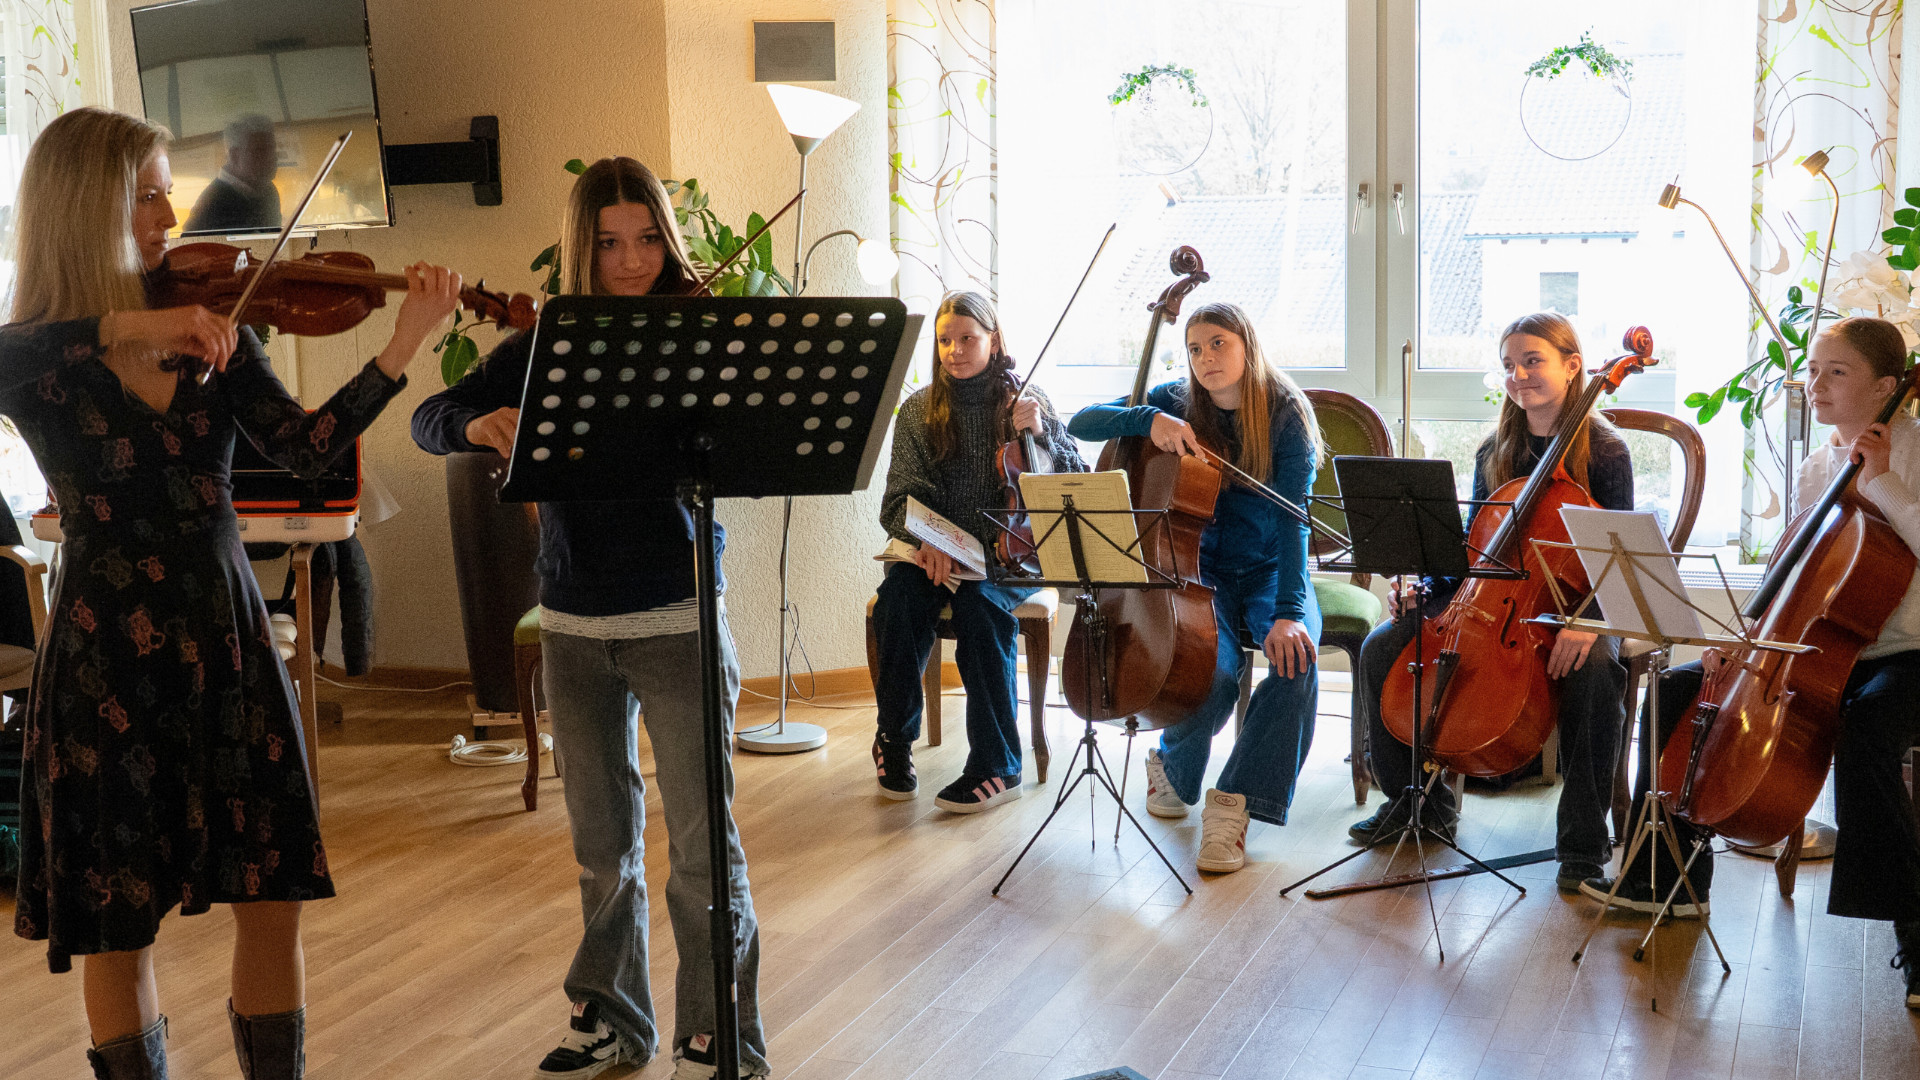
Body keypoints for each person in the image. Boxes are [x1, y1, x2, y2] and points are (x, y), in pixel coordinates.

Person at [5, 106, 459, 1080]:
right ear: (86, 208)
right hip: (103, 657)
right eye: (148, 192)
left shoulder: (217, 329)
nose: (175, 209)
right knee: (116, 925)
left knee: (273, 891)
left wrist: (402, 344)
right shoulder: (41, 359)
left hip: (224, 640)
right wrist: (126, 321)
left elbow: (304, 451)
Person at [411, 156, 768, 1079]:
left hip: (679, 611)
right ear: (583, 246)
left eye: (648, 239)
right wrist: (475, 426)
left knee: (700, 846)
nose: (632, 262)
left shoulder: (702, 334)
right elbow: (431, 413)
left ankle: (719, 1035)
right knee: (601, 849)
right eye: (609, 243)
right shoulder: (543, 342)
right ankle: (613, 1018)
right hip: (572, 620)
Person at [1596, 317, 1920, 1007]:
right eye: (1813, 368)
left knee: (1869, 727)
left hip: (1904, 653)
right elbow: (1796, 573)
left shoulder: (1914, 454)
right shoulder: (1816, 465)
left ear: (1888, 387)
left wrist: (1886, 480)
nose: (1816, 383)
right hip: (1820, 645)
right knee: (1678, 690)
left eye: (1837, 371)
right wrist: (1741, 636)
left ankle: (1915, 937)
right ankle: (1668, 880)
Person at [1349, 312, 1631, 894]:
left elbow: (1617, 561)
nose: (1519, 375)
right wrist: (1426, 591)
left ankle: (1582, 842)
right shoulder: (1494, 450)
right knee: (1383, 645)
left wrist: (1590, 623)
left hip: (1573, 610)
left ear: (1572, 365)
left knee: (1598, 671)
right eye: (1509, 365)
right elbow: (1474, 555)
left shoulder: (1604, 453)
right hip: (1489, 607)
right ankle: (1417, 806)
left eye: (1533, 361)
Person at [1068, 301, 1322, 874]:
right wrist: (1143, 420)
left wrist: (1288, 613)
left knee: (1296, 662)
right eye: (1195, 348)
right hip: (1195, 570)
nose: (1205, 358)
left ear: (1248, 346)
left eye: (1218, 344)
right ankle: (1174, 767)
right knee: (1211, 669)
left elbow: (1292, 524)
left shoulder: (1286, 416)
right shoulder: (1175, 402)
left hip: (1269, 571)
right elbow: (1080, 421)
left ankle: (1233, 807)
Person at [871, 291, 1086, 812]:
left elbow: (1074, 483)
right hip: (938, 550)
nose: (955, 350)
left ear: (993, 340)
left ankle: (997, 764)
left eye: (968, 338)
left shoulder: (1026, 400)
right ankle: (894, 741)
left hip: (1015, 554)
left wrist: (1042, 433)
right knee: (898, 602)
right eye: (946, 340)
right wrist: (929, 541)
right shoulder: (920, 409)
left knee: (981, 609)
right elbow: (899, 498)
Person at [182, 114, 283, 235]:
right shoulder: (212, 204)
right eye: (260, 150)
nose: (272, 157)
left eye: (272, 149)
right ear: (235, 155)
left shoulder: (269, 191)